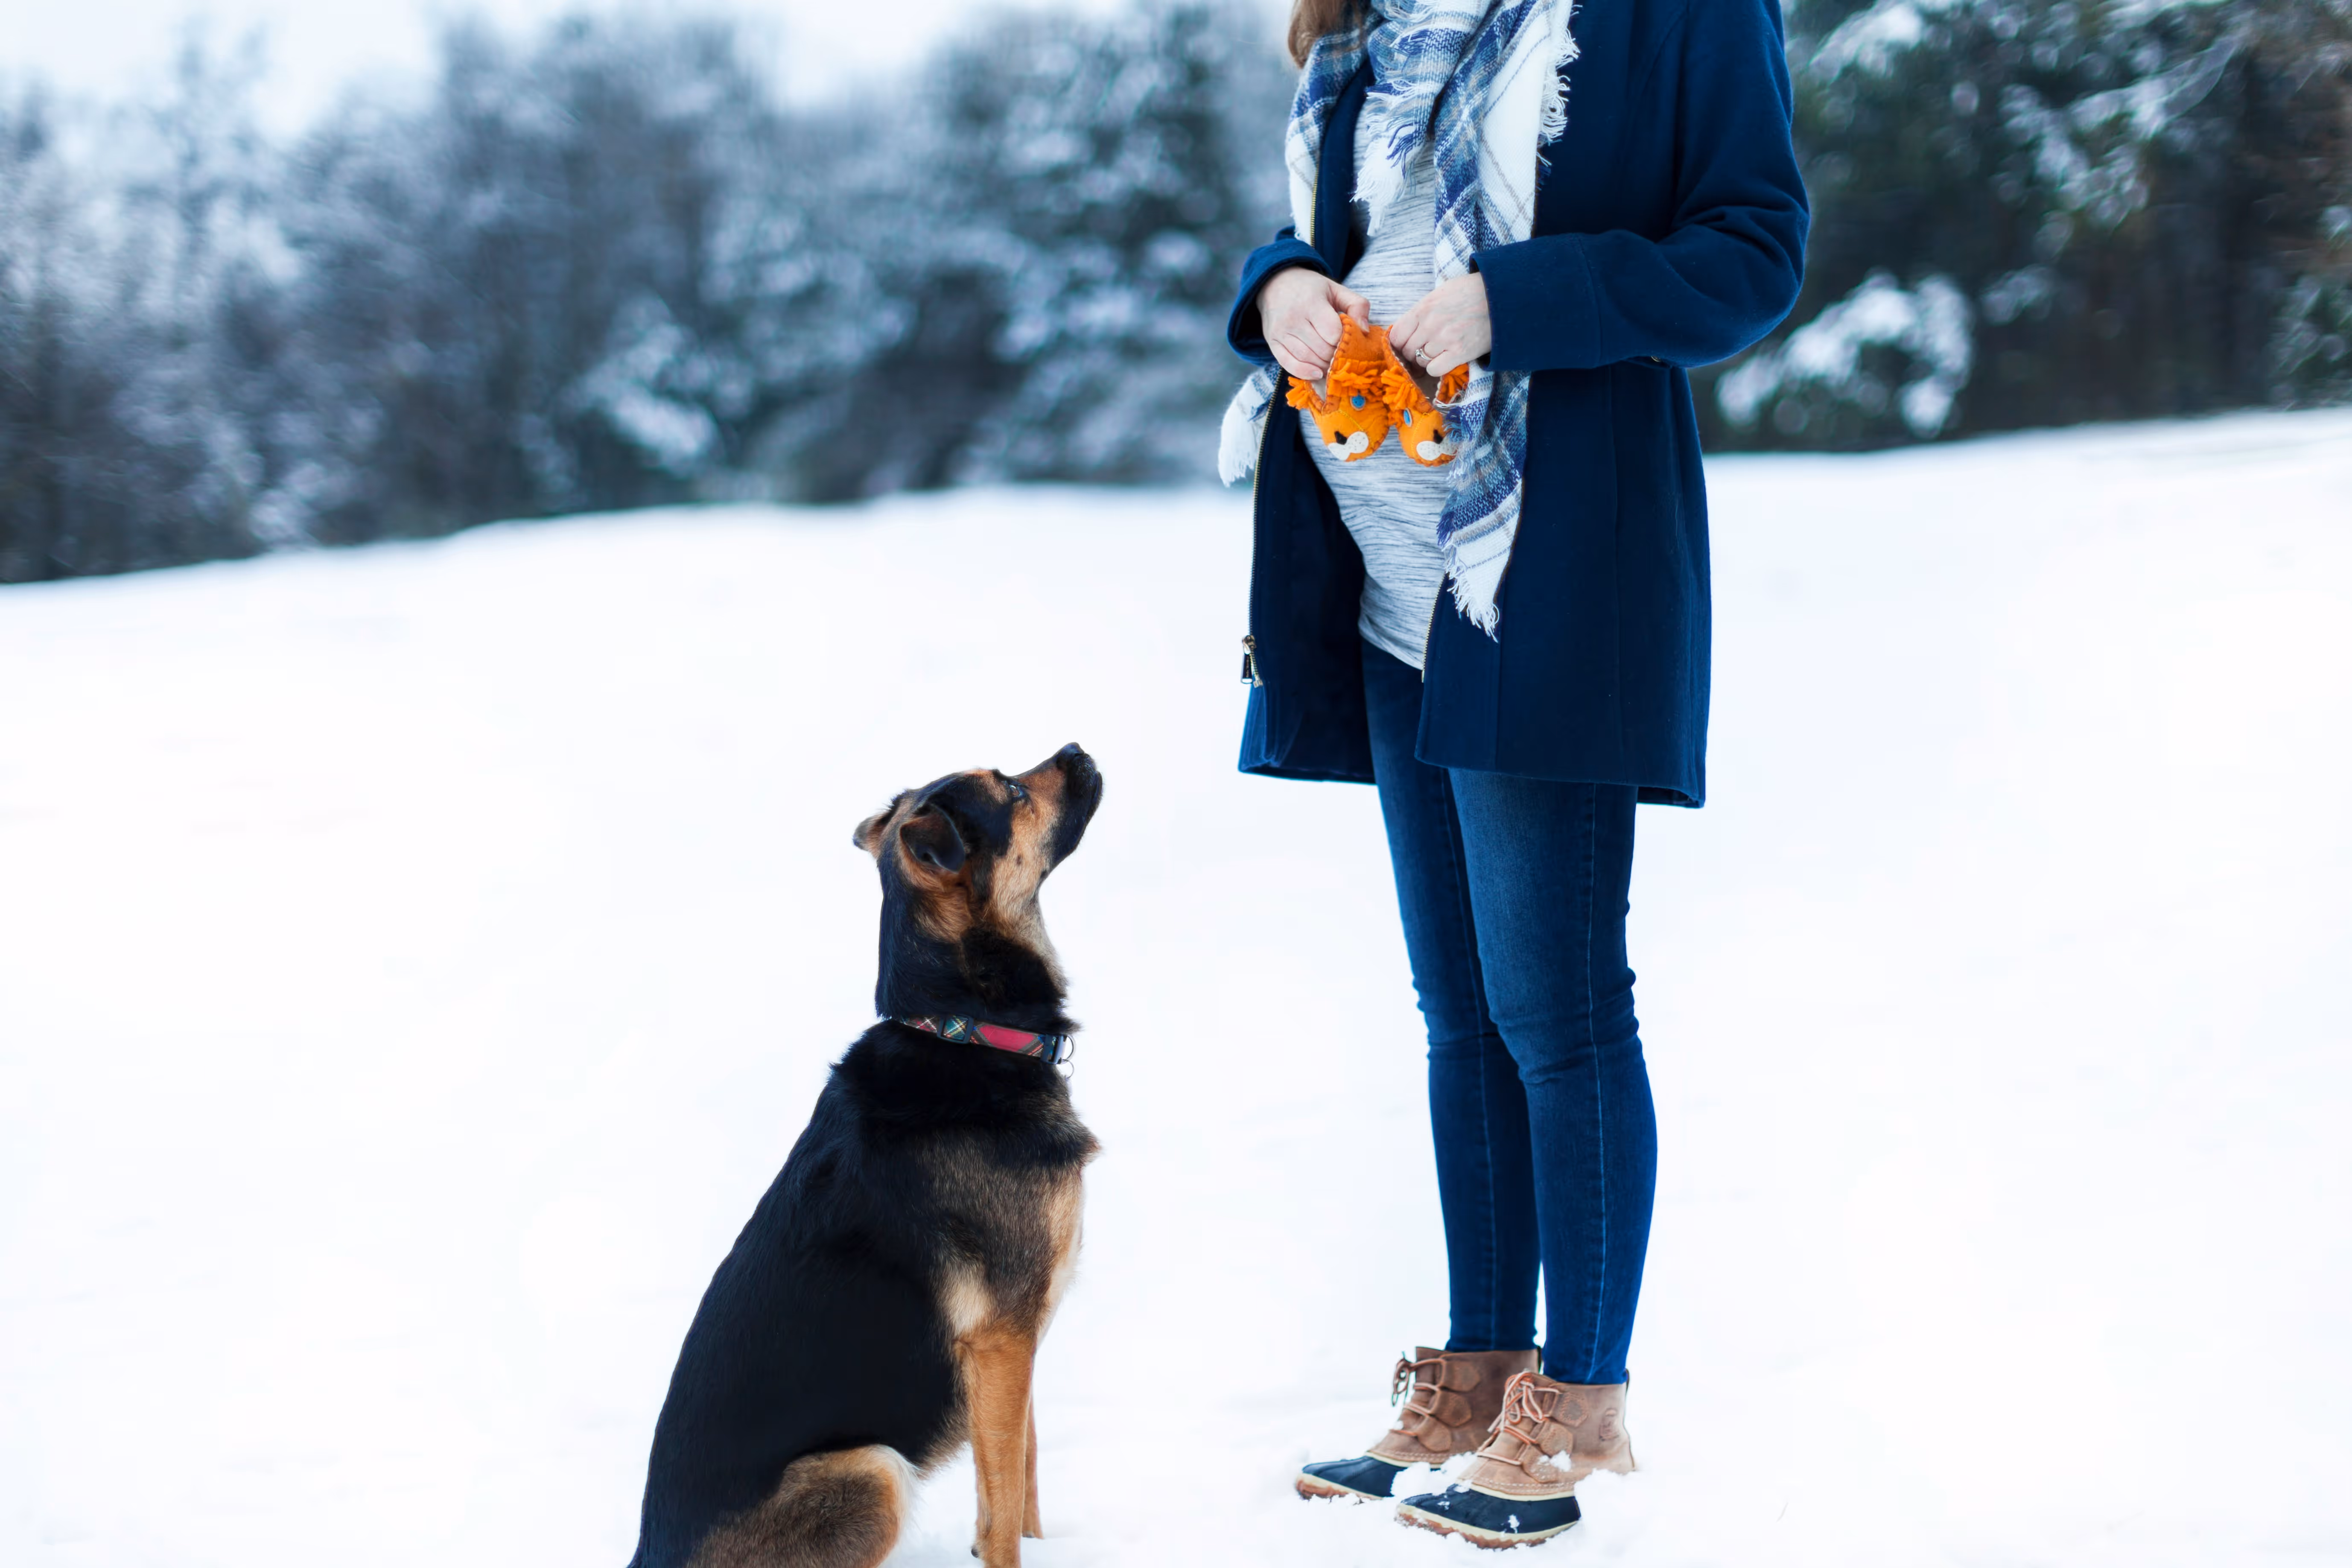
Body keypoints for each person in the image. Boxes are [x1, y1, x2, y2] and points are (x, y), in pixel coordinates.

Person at [1220, 0, 1807, 1546]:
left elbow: (1753, 254)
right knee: (1460, 1013)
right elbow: (1343, 228)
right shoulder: (1360, 22)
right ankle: (1477, 1378)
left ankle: (1577, 1402)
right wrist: (1276, 284)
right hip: (1380, 575)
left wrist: (1514, 303)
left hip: (1540, 570)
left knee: (1556, 1010)